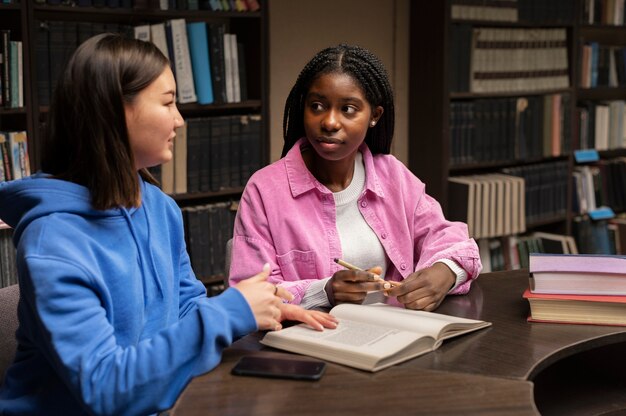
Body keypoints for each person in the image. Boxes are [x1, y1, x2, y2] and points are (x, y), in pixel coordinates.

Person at [0, 33, 336, 415]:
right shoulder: (53, 242)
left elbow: (184, 309)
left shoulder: (160, 208)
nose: (179, 120)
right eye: (168, 102)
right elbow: (105, 389)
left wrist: (255, 310)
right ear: (116, 111)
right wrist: (230, 312)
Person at [229, 44, 482, 312]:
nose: (329, 122)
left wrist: (446, 271)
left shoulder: (393, 176)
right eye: (317, 106)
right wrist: (323, 291)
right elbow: (248, 293)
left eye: (348, 109)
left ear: (374, 116)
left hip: (396, 334)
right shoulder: (265, 190)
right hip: (314, 342)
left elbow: (451, 239)